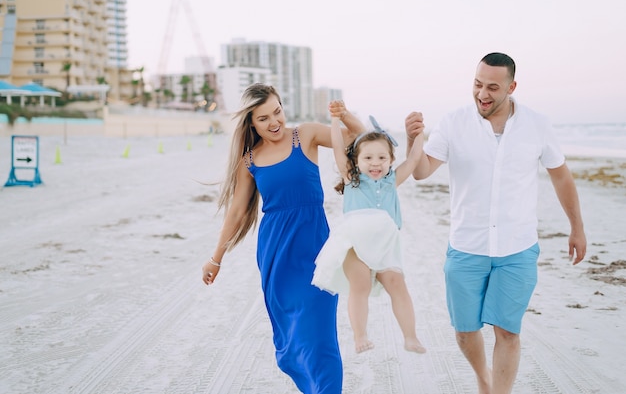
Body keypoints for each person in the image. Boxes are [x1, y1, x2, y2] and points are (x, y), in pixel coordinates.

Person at [404, 52, 587, 394]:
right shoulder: (453, 122)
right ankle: (482, 377)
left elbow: (561, 177)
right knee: (465, 330)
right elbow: (421, 171)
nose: (482, 94)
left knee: (508, 332)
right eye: (476, 84)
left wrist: (576, 227)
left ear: (511, 86)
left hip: (517, 248)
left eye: (492, 87)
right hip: (466, 245)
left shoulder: (537, 124)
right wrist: (413, 139)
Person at [201, 84, 365, 394]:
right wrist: (215, 259)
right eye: (263, 118)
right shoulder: (249, 161)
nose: (274, 122)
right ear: (251, 123)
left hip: (317, 251)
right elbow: (236, 213)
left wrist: (346, 115)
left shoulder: (305, 135)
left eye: (277, 111)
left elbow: (357, 138)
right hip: (277, 255)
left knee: (320, 337)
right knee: (293, 339)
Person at [312, 112, 427, 355]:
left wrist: (418, 134)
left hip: (385, 245)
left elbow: (415, 158)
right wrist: (334, 121)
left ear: (391, 159)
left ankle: (410, 336)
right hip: (356, 245)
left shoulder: (391, 180)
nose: (375, 163)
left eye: (382, 157)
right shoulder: (352, 179)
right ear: (356, 159)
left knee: (397, 285)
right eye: (368, 157)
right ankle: (360, 335)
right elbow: (336, 149)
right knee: (360, 284)